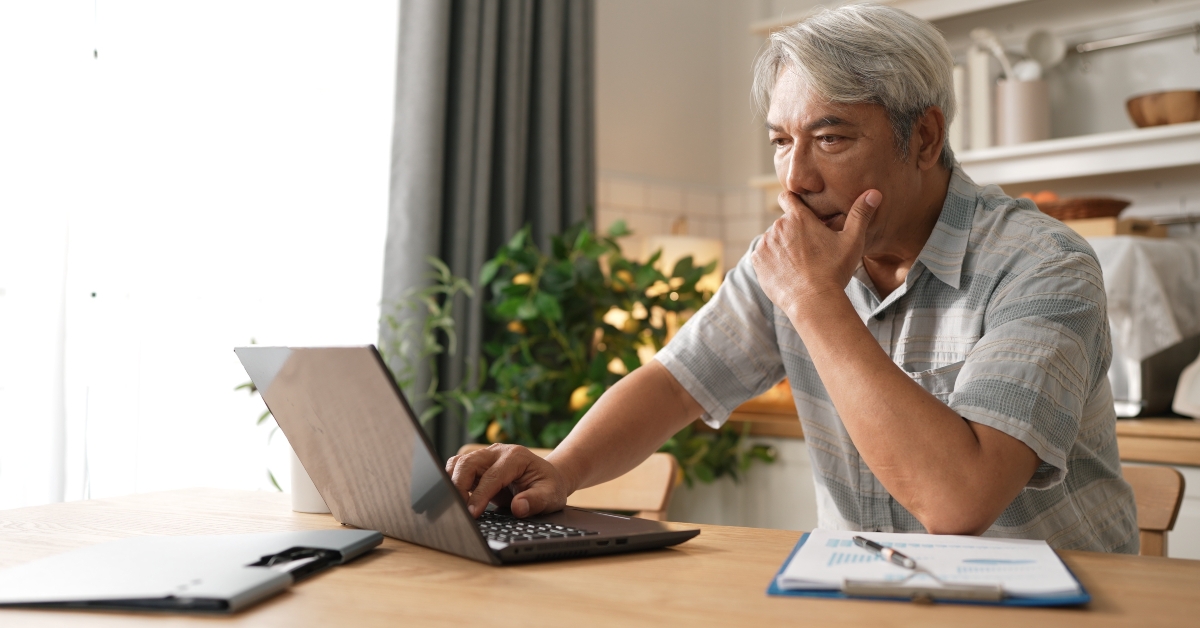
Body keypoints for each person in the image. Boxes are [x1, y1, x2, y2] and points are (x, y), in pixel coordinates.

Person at [445, 3, 1138, 552]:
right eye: (782, 141)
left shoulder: (1043, 265)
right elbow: (676, 382)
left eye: (831, 138)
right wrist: (562, 467)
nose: (796, 179)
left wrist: (814, 300)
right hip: (866, 600)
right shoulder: (794, 257)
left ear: (924, 138)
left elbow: (959, 502)